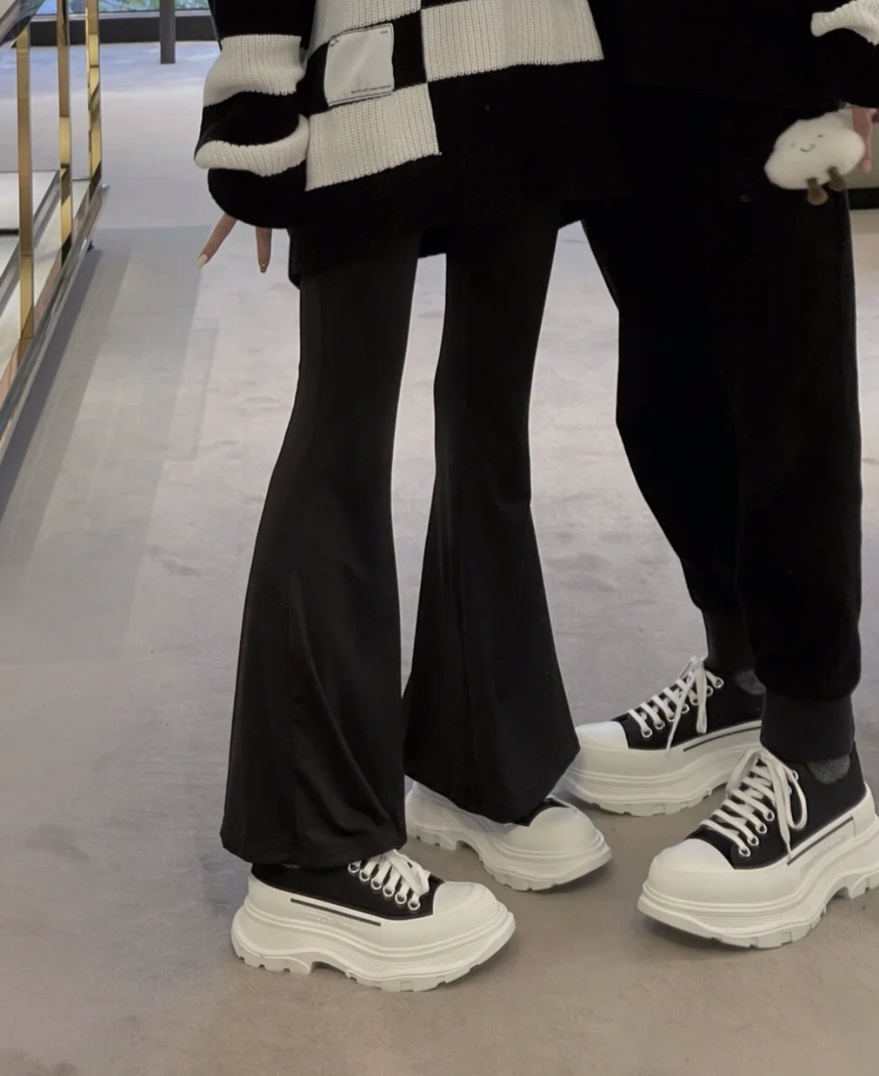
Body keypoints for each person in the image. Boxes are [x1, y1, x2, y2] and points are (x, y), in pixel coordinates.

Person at [570, 0, 879, 947]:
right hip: (610, 37)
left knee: (783, 394)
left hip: (769, 40)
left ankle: (820, 761)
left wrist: (873, 39)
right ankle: (739, 671)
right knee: (662, 389)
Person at [195, 0, 623, 991]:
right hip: (369, 59)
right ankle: (309, 849)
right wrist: (256, 87)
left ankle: (480, 760)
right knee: (342, 431)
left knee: (490, 417)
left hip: (528, 44)